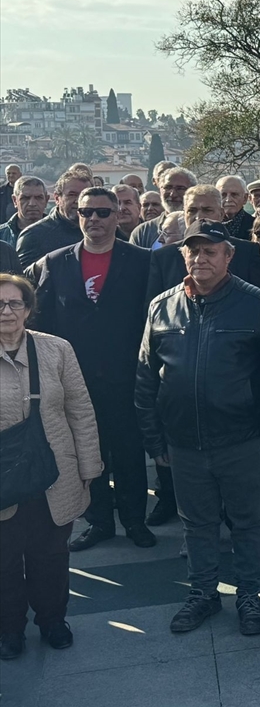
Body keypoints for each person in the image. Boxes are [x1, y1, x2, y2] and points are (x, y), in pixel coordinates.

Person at [136, 221, 260, 637]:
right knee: (196, 523)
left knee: (248, 522)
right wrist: (154, 440)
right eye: (194, 251)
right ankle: (203, 593)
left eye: (210, 251)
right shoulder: (161, 306)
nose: (201, 258)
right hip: (183, 443)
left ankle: (248, 595)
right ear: (183, 255)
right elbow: (146, 378)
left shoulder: (256, 305)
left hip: (242, 440)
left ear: (228, 256)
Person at [28, 187, 154, 552]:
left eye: (102, 212)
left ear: (117, 215)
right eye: (86, 213)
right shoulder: (55, 262)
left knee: (129, 452)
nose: (93, 220)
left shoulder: (143, 260)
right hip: (75, 379)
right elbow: (43, 322)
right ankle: (99, 521)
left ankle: (134, 520)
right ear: (76, 216)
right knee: (88, 452)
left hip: (128, 374)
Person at [0, 274, 102, 661]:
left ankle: (53, 621)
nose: (7, 312)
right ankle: (9, 629)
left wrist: (90, 463)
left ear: (28, 309)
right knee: (4, 560)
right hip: (3, 479)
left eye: (15, 303)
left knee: (51, 555)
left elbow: (80, 409)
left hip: (54, 474)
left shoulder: (57, 350)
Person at [145, 186, 260, 304]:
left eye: (207, 210)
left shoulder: (247, 252)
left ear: (221, 214)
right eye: (192, 211)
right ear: (184, 215)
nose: (198, 217)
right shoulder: (163, 257)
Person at [15, 168, 89, 269]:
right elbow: (23, 281)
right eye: (72, 195)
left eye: (84, 195)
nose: (78, 201)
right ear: (57, 198)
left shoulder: (106, 230)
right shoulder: (34, 235)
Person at [130, 167, 195, 248]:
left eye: (180, 188)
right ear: (160, 190)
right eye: (168, 187)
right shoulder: (143, 232)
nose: (173, 194)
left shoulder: (199, 227)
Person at [0, 176, 48, 249]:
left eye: (38, 198)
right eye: (25, 198)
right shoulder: (2, 236)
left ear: (46, 200)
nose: (32, 203)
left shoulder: (60, 234)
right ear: (15, 200)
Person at [217, 176, 253, 240]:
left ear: (245, 198)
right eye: (223, 195)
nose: (228, 199)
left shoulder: (255, 226)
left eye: (234, 194)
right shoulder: (208, 225)